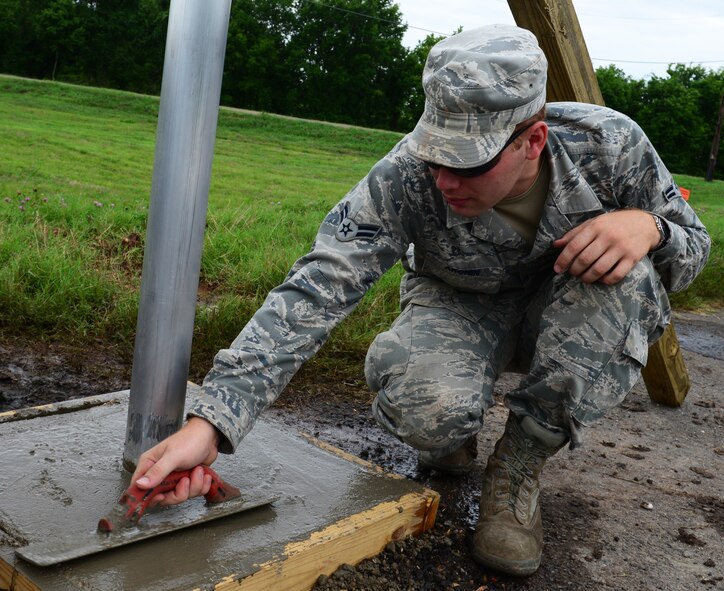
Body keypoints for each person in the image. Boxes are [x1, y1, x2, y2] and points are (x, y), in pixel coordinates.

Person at [131, 24, 710, 576]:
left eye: (467, 163)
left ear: (533, 140)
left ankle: (518, 468)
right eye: (434, 155)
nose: (443, 180)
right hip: (460, 304)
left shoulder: (610, 147)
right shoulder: (407, 174)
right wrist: (213, 420)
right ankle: (453, 429)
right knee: (428, 410)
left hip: (567, 314)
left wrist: (650, 229)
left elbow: (694, 249)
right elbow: (319, 285)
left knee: (629, 274)